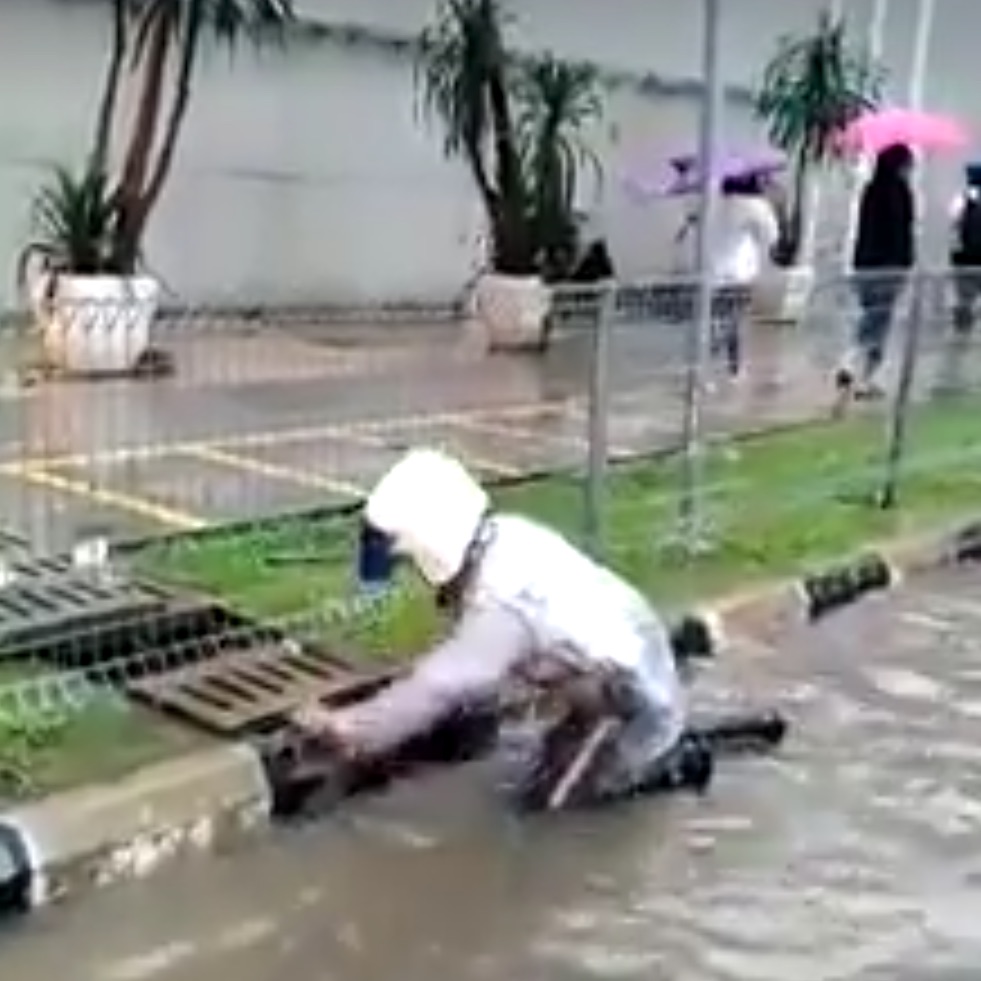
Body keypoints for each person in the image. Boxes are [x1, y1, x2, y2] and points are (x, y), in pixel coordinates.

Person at [291, 447, 693, 810]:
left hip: (631, 703)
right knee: (546, 769)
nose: (413, 574)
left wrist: (346, 728)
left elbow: (444, 683)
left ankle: (679, 765)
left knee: (549, 816)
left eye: (409, 562)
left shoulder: (503, 602)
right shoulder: (505, 536)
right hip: (626, 665)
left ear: (431, 546)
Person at [839, 142, 915, 402]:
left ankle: (851, 362)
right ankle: (864, 377)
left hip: (864, 265)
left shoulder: (870, 190)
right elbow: (902, 235)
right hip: (890, 267)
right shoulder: (902, 193)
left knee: (870, 317)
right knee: (880, 324)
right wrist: (905, 265)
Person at [709, 173, 781, 379]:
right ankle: (733, 369)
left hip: (713, 270)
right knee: (732, 321)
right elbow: (772, 238)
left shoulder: (717, 202)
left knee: (719, 319)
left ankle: (714, 366)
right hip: (738, 274)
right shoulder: (754, 206)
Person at [948, 162, 981, 335]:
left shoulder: (961, 199)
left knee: (964, 293)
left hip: (963, 255)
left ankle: (962, 326)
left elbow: (954, 224)